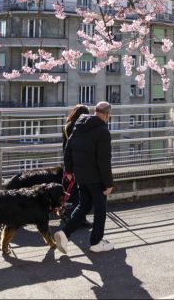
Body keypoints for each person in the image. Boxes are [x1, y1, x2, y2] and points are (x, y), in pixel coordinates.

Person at [54, 101, 114, 253]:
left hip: (80, 176)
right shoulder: (103, 131)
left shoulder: (79, 125)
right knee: (100, 208)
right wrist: (108, 184)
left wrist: (69, 170)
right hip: (96, 178)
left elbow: (68, 149)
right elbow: (104, 161)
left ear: (95, 112)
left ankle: (65, 233)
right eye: (109, 116)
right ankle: (96, 242)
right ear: (106, 115)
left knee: (83, 205)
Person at [61, 104, 90, 226]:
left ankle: (68, 216)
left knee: (71, 192)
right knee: (79, 193)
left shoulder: (67, 125)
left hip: (68, 163)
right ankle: (78, 220)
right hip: (78, 164)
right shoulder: (78, 127)